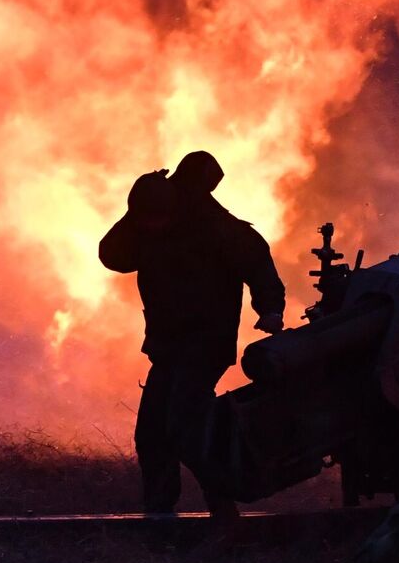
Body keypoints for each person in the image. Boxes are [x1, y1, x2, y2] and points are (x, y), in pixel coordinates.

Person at [98, 151, 285, 520]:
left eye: (154, 219)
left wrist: (270, 309)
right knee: (152, 433)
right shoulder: (147, 222)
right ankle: (160, 516)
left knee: (185, 426)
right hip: (168, 346)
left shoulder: (217, 228)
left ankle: (223, 509)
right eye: (144, 220)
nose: (151, 227)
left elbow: (258, 264)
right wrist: (132, 217)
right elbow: (114, 256)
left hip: (206, 343)